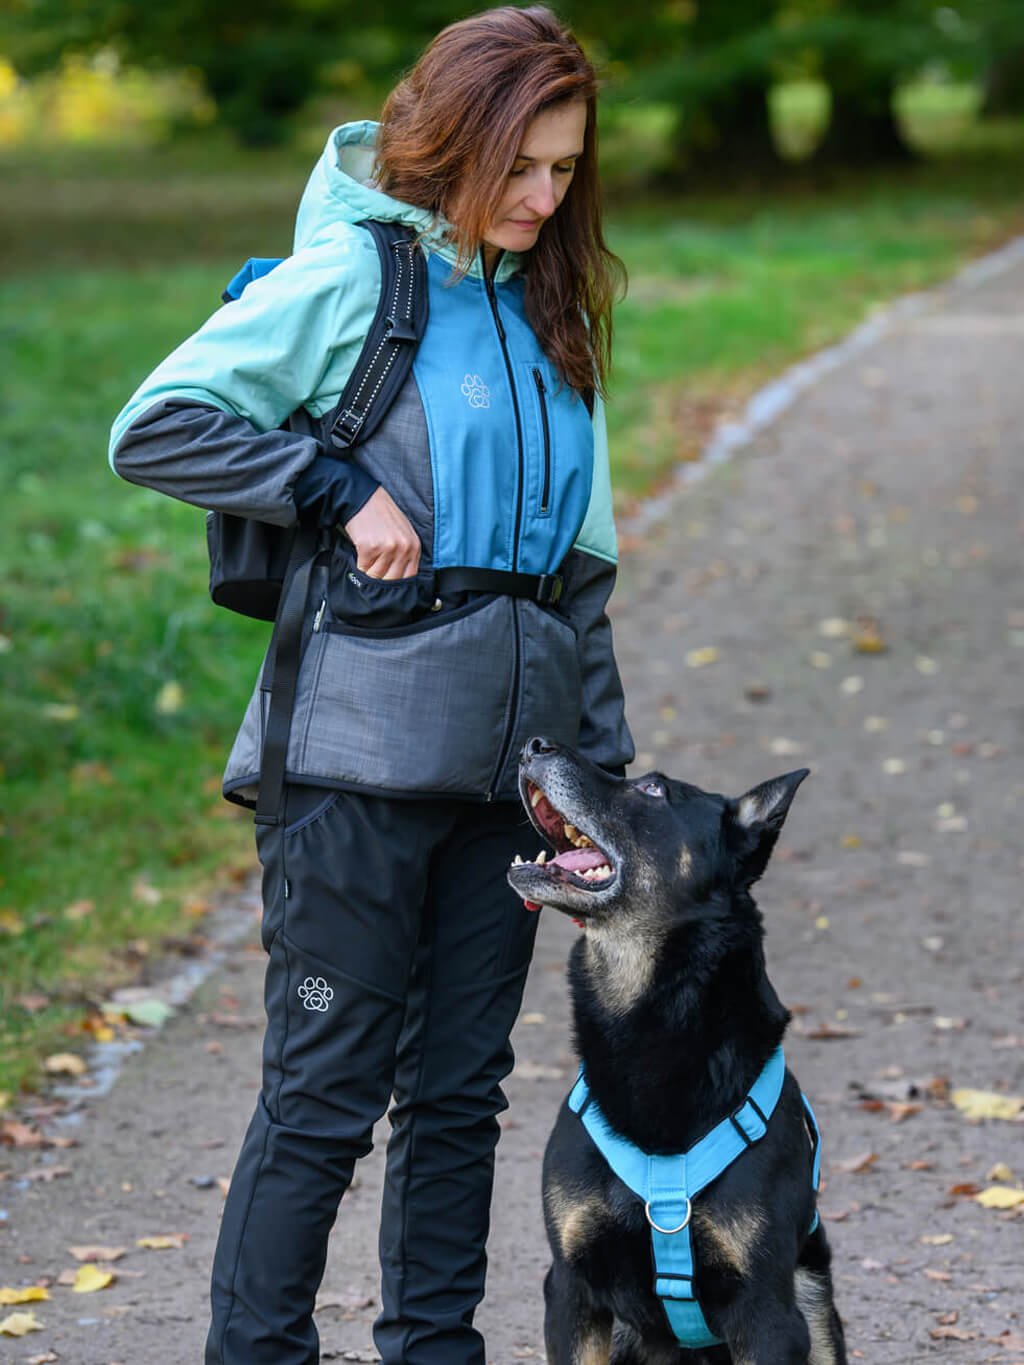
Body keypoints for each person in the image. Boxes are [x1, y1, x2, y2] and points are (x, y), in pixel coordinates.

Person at [108, 7, 633, 1363]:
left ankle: (434, 1350)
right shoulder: (358, 279)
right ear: (453, 140)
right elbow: (155, 423)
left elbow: (580, 584)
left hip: (512, 773)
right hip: (351, 763)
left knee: (459, 1093)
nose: (541, 197)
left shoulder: (550, 320)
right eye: (520, 164)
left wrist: (609, 799)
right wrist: (340, 488)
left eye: (566, 171)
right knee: (326, 1086)